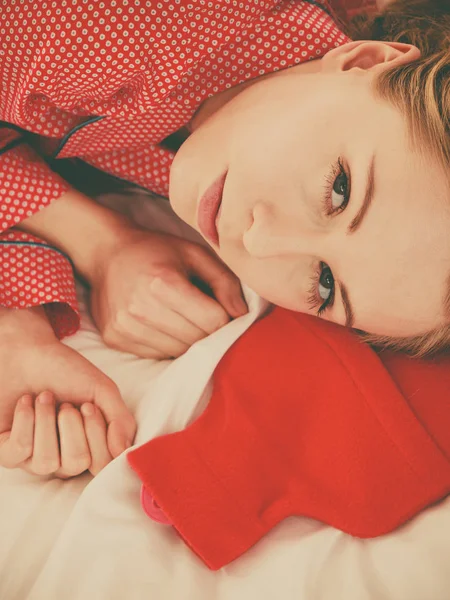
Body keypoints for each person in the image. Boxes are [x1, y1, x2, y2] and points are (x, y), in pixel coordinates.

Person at [1, 0, 449, 478]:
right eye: (339, 191)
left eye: (324, 284)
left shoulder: (247, 120)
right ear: (367, 62)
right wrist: (95, 240)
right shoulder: (132, 22)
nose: (261, 243)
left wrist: (23, 330)